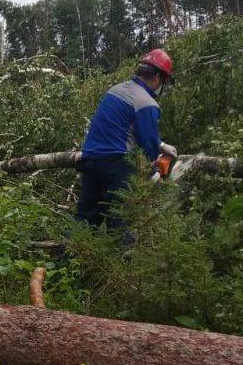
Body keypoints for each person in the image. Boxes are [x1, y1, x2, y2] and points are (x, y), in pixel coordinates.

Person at [75, 49, 178, 230]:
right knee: (121, 223)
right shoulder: (147, 102)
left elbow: (122, 127)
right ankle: (121, 259)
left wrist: (161, 145)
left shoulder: (116, 90)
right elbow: (146, 150)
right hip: (117, 164)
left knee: (85, 219)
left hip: (90, 158)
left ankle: (66, 257)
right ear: (157, 78)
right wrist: (155, 173)